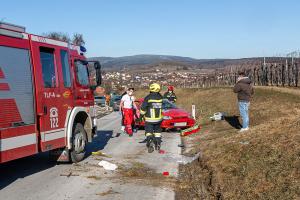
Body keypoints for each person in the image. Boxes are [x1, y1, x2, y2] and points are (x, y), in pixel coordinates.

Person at [140, 83, 163, 152]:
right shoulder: (161, 97)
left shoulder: (148, 97)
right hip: (158, 119)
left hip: (149, 119)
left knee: (149, 132)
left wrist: (141, 116)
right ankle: (158, 144)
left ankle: (150, 144)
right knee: (157, 132)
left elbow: (143, 108)